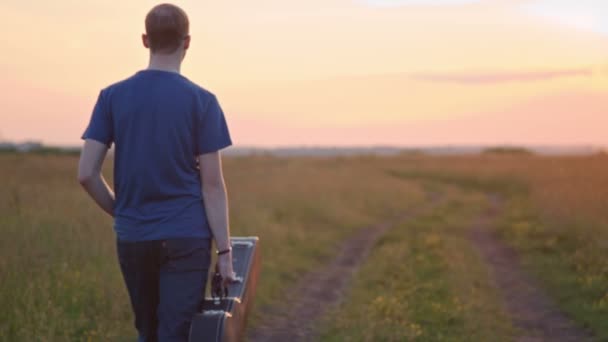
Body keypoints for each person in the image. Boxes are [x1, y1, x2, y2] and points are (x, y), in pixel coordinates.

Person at [77, 3, 236, 341]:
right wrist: (224, 253)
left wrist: (120, 210)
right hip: (187, 237)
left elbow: (86, 174)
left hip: (134, 235)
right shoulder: (203, 101)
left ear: (145, 40)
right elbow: (212, 186)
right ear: (187, 42)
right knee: (176, 333)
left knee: (147, 331)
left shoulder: (111, 97)